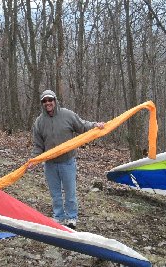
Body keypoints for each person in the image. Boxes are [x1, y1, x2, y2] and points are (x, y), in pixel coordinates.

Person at [31, 89, 104, 229]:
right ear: (42, 103)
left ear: (55, 100)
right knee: (55, 194)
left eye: (50, 100)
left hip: (67, 162)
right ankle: (58, 217)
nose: (48, 103)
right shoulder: (39, 122)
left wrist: (95, 125)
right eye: (45, 101)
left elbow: (83, 126)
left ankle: (71, 218)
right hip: (50, 164)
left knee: (70, 192)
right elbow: (38, 146)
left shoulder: (67, 115)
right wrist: (34, 160)